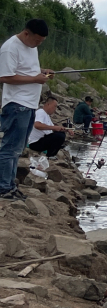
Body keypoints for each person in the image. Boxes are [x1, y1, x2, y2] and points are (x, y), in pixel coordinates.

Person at [0, 19, 53, 201]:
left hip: (29, 105)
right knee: (11, 148)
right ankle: (4, 188)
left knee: (19, 148)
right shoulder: (10, 48)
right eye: (37, 40)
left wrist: (42, 71)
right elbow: (5, 77)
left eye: (41, 42)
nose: (38, 44)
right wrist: (35, 79)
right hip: (17, 104)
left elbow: (27, 69)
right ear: (26, 33)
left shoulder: (31, 47)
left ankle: (10, 185)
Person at [28, 94, 70, 159]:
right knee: (59, 136)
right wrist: (54, 127)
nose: (55, 109)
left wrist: (67, 130)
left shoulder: (46, 115)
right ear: (48, 104)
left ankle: (52, 154)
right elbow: (37, 125)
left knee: (61, 134)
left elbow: (54, 128)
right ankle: (50, 155)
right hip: (35, 142)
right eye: (54, 106)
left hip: (42, 140)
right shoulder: (41, 112)